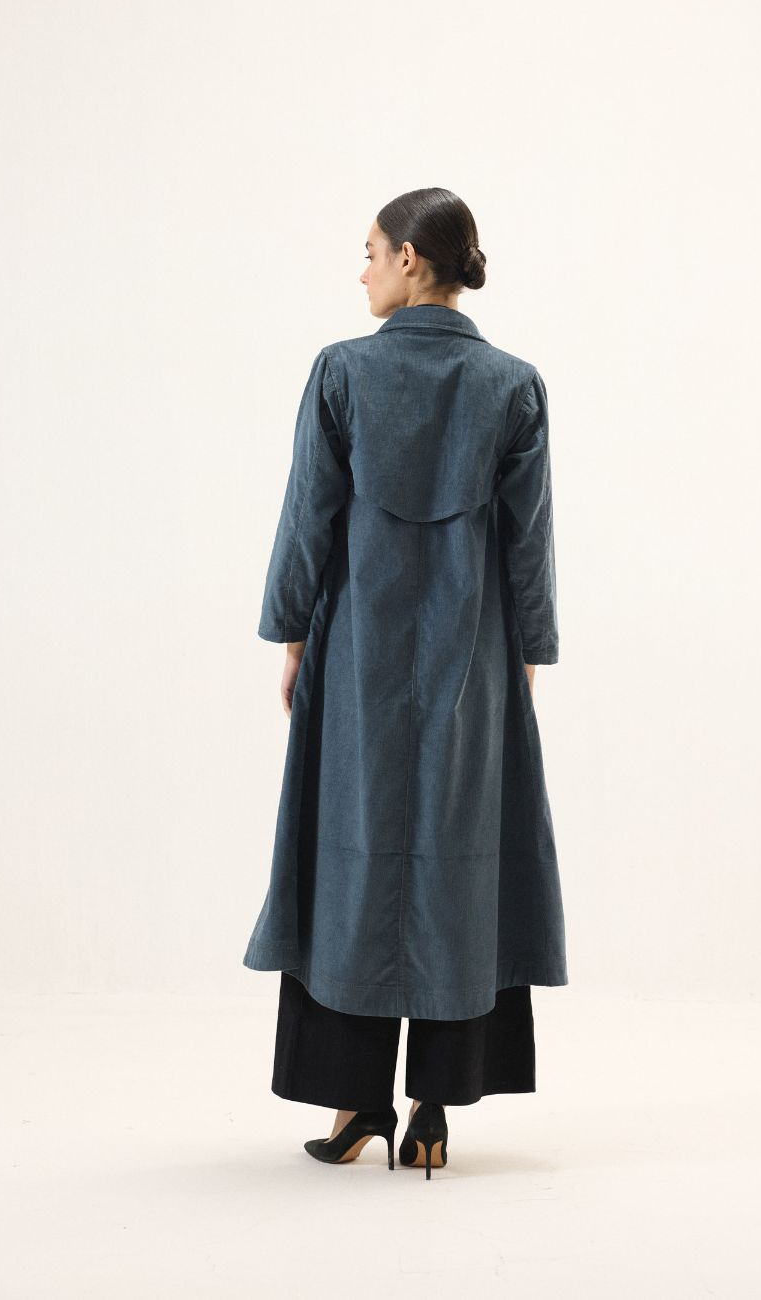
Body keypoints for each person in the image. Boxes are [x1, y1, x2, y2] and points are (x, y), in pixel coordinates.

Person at [242, 186, 567, 1176]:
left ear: (413, 260)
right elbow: (528, 542)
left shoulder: (342, 372)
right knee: (462, 859)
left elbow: (309, 513)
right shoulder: (514, 386)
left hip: (357, 654)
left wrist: (290, 631)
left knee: (350, 856)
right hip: (472, 654)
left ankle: (354, 1107)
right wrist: (528, 651)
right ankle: (432, 1111)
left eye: (372, 252)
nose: (364, 271)